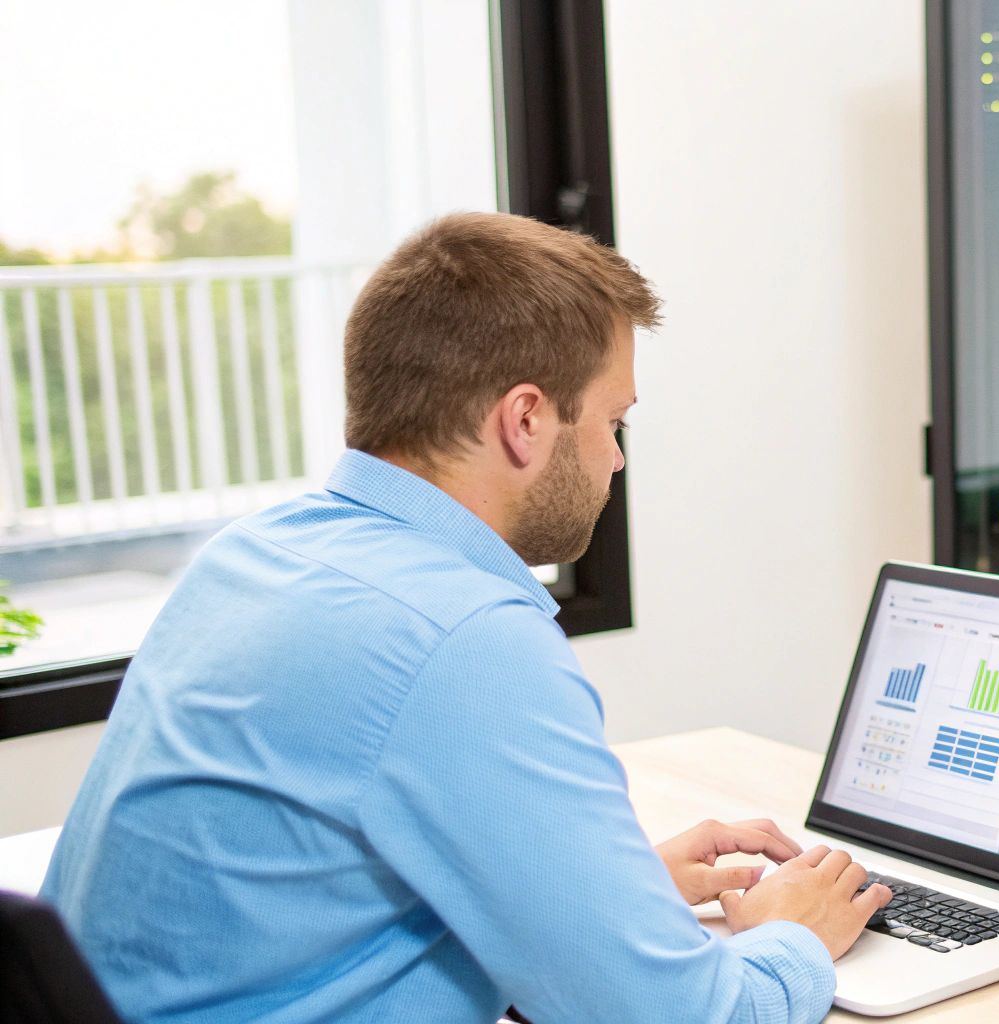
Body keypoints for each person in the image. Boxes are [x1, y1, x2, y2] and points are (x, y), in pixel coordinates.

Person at [39, 212, 890, 1023]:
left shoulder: (255, 556)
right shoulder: (466, 638)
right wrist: (793, 935)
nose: (616, 459)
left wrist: (608, 903)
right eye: (611, 420)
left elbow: (323, 888)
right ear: (524, 420)